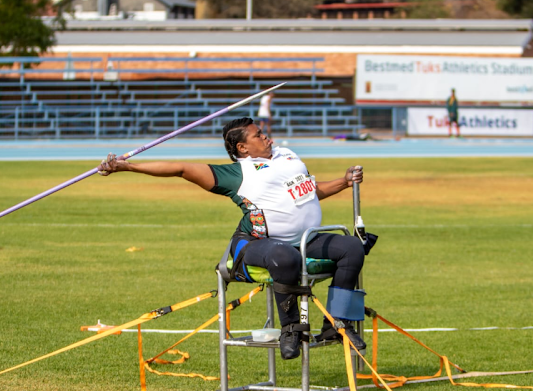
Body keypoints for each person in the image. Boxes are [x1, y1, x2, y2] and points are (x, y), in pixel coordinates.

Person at [97, 116, 367, 361]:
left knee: (353, 247)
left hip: (305, 239)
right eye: (258, 135)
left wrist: (343, 182)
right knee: (285, 257)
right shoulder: (238, 173)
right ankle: (291, 329)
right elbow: (180, 168)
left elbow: (310, 192)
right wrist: (128, 167)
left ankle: (337, 325)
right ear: (243, 148)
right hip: (257, 244)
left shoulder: (288, 155)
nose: (267, 137)